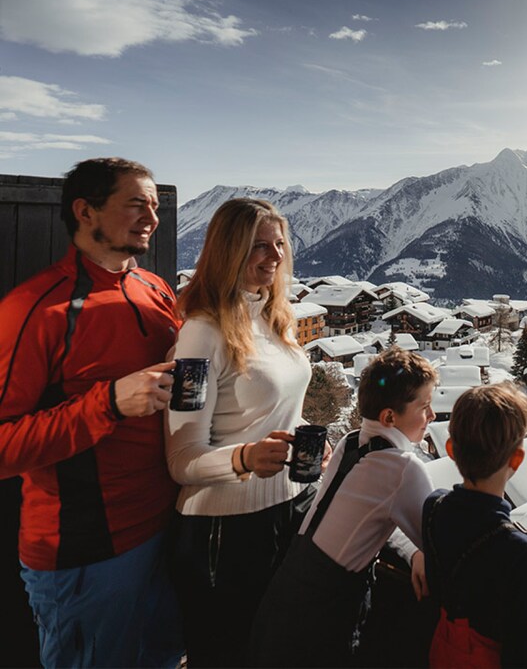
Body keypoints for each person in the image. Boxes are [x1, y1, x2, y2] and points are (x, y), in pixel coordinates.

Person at [0, 157, 184, 667]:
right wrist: (107, 404)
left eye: (154, 205)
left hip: (164, 527)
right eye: (135, 204)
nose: (152, 217)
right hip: (86, 551)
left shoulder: (156, 290)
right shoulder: (37, 310)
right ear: (85, 211)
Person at [165, 198, 315, 666]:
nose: (273, 256)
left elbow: (272, 411)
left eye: (279, 244)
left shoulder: (273, 319)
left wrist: (307, 434)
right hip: (224, 534)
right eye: (258, 246)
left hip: (284, 513)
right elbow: (181, 459)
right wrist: (244, 459)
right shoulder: (201, 334)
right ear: (228, 251)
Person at [252, 347, 438, 666]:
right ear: (390, 417)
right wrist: (422, 552)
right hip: (326, 617)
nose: (432, 416)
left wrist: (411, 552)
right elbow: (442, 543)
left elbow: (365, 514)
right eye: (424, 406)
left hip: (284, 597)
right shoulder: (402, 468)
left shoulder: (350, 443)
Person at [423, 382, 527, 668]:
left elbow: (470, 591)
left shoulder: (434, 509)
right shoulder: (522, 554)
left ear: (451, 449)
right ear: (517, 459)